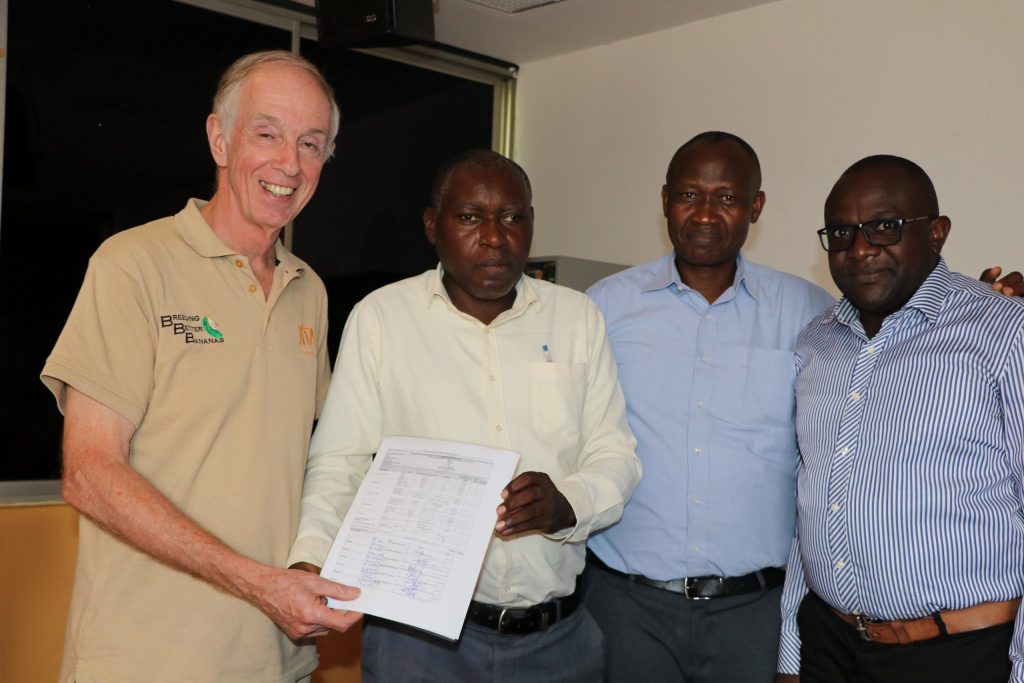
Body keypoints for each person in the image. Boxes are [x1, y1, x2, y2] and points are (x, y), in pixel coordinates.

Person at [41, 51, 360, 683]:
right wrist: (256, 584)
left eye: (310, 143)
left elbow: (320, 462)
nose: (289, 164)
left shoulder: (311, 292)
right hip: (147, 663)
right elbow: (90, 473)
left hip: (279, 659)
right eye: (266, 134)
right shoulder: (133, 263)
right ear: (219, 137)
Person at [286, 149, 641, 682]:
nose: (495, 236)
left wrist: (568, 503)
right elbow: (341, 461)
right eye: (470, 217)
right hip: (419, 645)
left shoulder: (577, 318)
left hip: (558, 641)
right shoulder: (383, 319)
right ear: (433, 226)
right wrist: (310, 558)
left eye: (513, 216)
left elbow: (616, 455)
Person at [583, 131, 835, 682]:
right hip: (626, 608)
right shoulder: (603, 307)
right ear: (665, 200)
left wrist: (981, 303)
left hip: (758, 612)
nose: (704, 213)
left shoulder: (810, 312)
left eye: (726, 198)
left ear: (755, 207)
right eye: (688, 195)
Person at [776, 155, 1024, 682]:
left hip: (959, 656)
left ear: (936, 234)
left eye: (885, 227)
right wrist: (792, 655)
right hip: (831, 644)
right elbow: (811, 505)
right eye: (842, 232)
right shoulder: (815, 343)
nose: (860, 249)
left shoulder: (1003, 332)